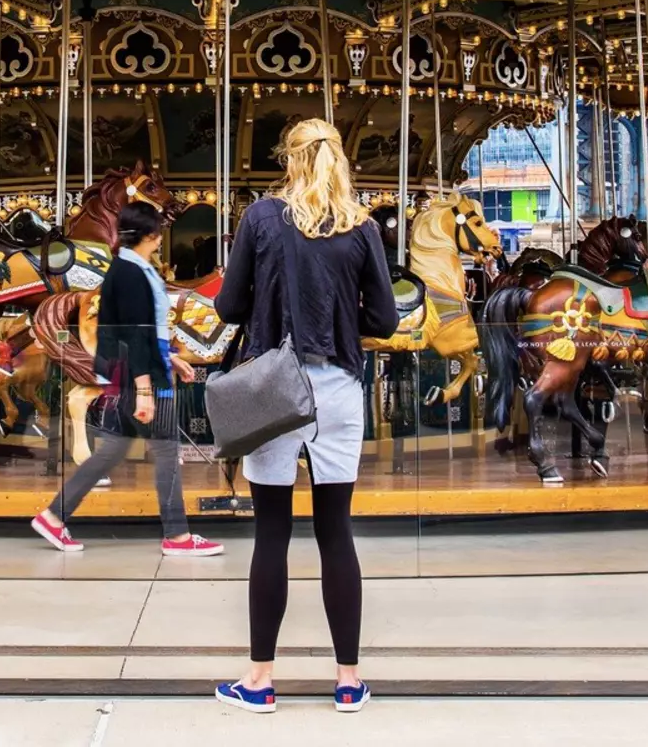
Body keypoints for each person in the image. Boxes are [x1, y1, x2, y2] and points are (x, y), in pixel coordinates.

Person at [212, 118, 398, 715]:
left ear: (289, 160)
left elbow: (228, 303)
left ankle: (260, 681)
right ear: (339, 159)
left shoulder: (262, 218)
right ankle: (348, 680)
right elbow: (387, 320)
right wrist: (342, 319)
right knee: (335, 531)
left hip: (275, 384)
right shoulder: (362, 226)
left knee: (271, 532)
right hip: (338, 386)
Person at [30, 199, 221, 558]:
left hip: (138, 371)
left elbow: (143, 333)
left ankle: (55, 515)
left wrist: (171, 359)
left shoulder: (130, 268)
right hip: (141, 377)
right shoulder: (133, 273)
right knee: (163, 451)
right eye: (159, 230)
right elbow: (135, 332)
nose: (161, 237)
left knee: (119, 449)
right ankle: (176, 535)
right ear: (151, 234)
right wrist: (146, 388)